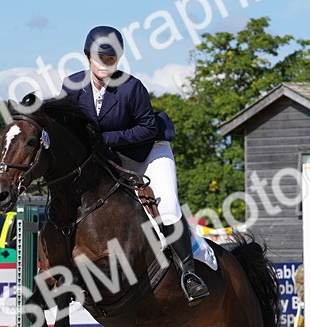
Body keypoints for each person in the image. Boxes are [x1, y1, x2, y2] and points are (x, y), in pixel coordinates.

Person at [60, 25, 208, 303]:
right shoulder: (72, 86)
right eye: (101, 57)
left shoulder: (131, 87)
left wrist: (103, 138)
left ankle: (190, 274)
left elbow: (147, 129)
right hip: (110, 158)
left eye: (112, 58)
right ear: (87, 56)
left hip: (148, 151)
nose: (107, 63)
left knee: (167, 208)